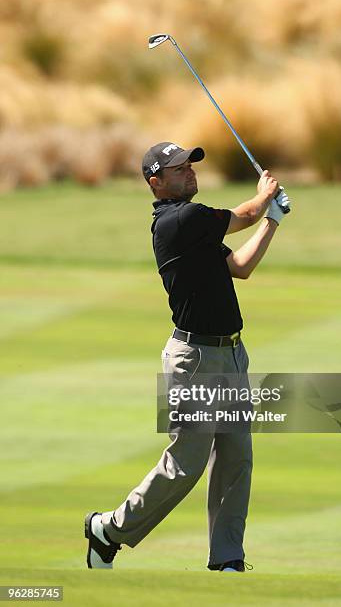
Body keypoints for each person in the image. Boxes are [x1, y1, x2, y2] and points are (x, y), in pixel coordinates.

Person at [85, 142, 291, 572]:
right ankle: (108, 529)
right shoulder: (179, 221)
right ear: (155, 182)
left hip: (232, 354)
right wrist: (265, 195)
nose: (190, 173)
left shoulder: (195, 228)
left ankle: (228, 559)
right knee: (186, 464)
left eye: (191, 167)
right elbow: (246, 214)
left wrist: (273, 220)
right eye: (179, 170)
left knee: (237, 458)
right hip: (193, 359)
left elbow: (240, 267)